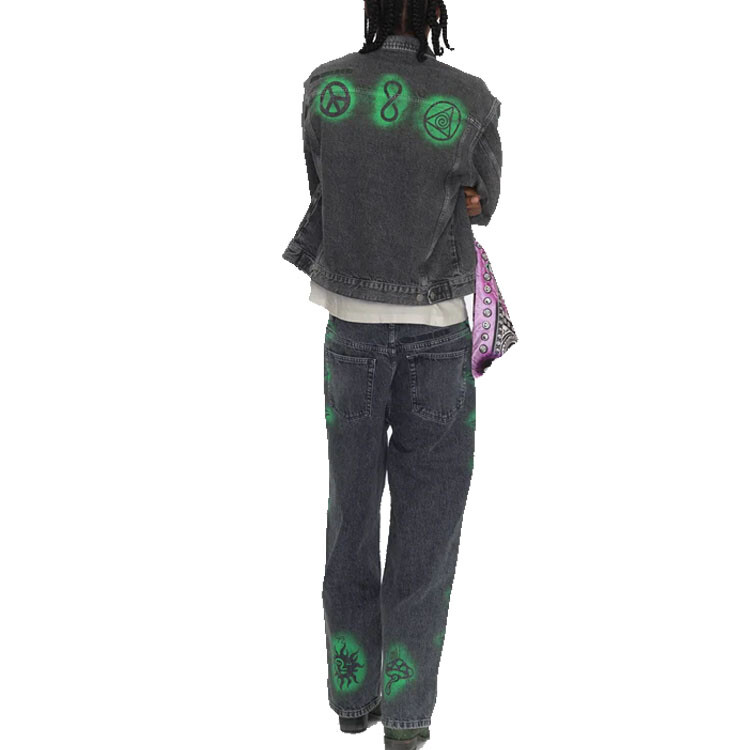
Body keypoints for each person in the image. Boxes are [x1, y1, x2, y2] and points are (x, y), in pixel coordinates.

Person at [283, 1, 503, 747]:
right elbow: (485, 203)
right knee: (426, 528)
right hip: (438, 333)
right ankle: (406, 718)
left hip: (348, 331)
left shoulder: (324, 89)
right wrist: (455, 193)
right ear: (434, 15)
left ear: (373, 11)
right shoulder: (470, 98)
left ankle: (352, 696)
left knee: (350, 514)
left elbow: (323, 187)